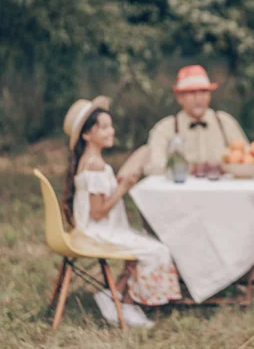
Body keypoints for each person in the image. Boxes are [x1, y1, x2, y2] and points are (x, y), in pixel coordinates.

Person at [62, 96, 182, 327]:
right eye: (104, 127)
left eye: (110, 126)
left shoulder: (91, 160)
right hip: (98, 232)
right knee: (157, 250)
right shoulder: (94, 165)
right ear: (87, 135)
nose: (111, 131)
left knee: (144, 242)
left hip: (97, 229)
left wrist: (119, 184)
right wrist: (123, 188)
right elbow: (97, 212)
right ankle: (126, 304)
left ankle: (114, 294)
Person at [144, 65, 248, 176]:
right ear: (180, 98)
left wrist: (225, 166)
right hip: (181, 192)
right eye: (192, 93)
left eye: (203, 92)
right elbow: (152, 167)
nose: (199, 98)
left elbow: (248, 158)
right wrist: (187, 168)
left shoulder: (225, 122)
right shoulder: (165, 128)